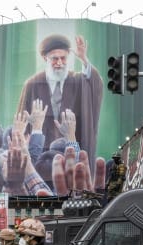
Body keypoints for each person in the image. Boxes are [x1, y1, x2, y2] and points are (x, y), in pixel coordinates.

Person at [17, 34, 103, 167]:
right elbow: (20, 124)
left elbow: (95, 84)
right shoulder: (32, 84)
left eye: (63, 58)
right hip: (41, 160)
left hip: (72, 159)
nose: (59, 63)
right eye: (54, 58)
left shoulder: (78, 81)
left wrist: (84, 59)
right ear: (45, 58)